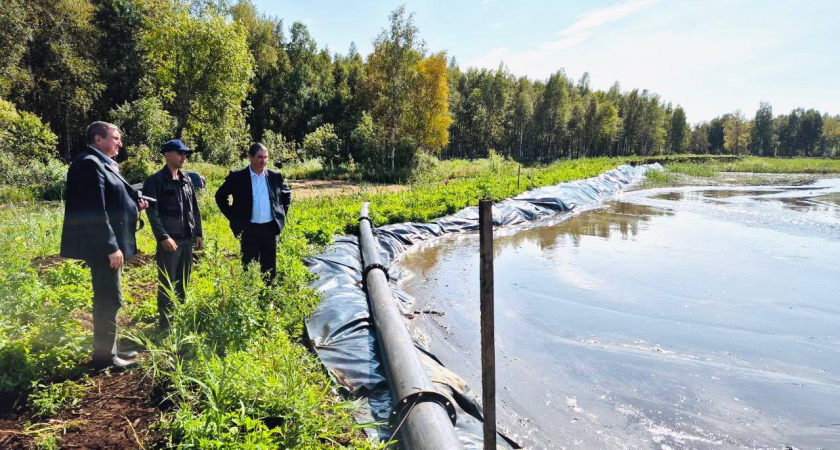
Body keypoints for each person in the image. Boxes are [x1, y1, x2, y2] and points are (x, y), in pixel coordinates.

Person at [60, 122, 148, 371]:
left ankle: (110, 348)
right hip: (102, 247)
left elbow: (112, 200)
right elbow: (94, 210)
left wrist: (134, 205)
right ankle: (104, 358)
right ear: (98, 139)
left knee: (111, 297)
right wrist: (111, 246)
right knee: (109, 298)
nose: (120, 143)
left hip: (109, 243)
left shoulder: (102, 163)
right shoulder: (89, 164)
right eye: (116, 138)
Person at [142, 139, 203, 331]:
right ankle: (166, 324)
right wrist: (163, 237)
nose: (184, 156)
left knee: (183, 280)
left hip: (187, 239)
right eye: (180, 153)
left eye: (185, 153)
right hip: (170, 240)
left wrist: (198, 233)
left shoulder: (186, 180)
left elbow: (195, 209)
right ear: (167, 155)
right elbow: (152, 212)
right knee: (168, 280)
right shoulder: (155, 181)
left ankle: (179, 316)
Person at [215, 143, 291, 284]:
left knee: (269, 267)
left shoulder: (274, 176)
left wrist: (280, 214)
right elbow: (220, 196)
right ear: (250, 157)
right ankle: (249, 294)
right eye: (259, 157)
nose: (263, 161)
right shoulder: (237, 176)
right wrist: (233, 216)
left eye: (265, 157)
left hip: (269, 228)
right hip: (249, 229)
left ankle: (268, 295)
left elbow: (286, 195)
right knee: (248, 266)